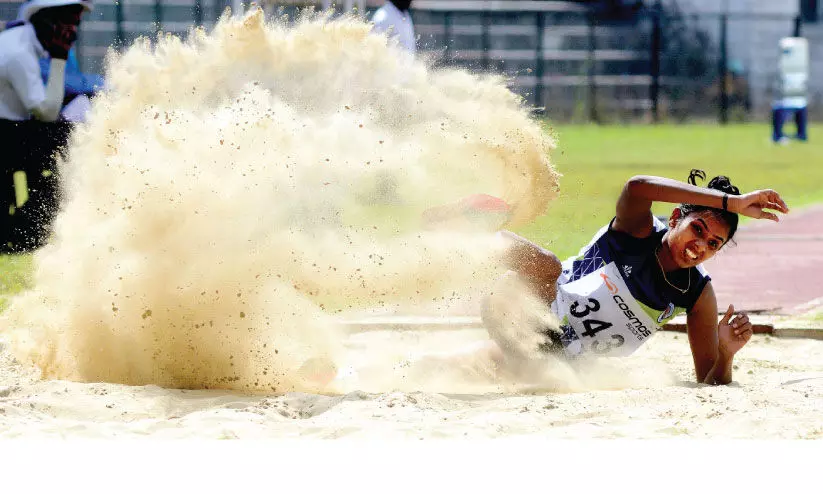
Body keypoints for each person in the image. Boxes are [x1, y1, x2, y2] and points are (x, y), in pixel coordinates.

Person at [481, 170, 789, 385]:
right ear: (676, 218)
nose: (700, 247)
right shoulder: (637, 231)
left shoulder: (697, 293)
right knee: (547, 265)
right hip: (522, 309)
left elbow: (709, 382)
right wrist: (730, 203)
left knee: (513, 369)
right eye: (698, 229)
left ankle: (489, 361)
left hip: (558, 356)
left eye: (713, 244)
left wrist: (724, 355)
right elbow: (637, 186)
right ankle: (463, 237)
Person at [0, 0, 93, 252]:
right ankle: (21, 233)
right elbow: (46, 112)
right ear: (46, 21)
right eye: (66, 25)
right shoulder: (18, 52)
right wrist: (59, 58)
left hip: (12, 132)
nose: (70, 33)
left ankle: (20, 231)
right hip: (8, 136)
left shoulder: (17, 41)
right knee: (67, 143)